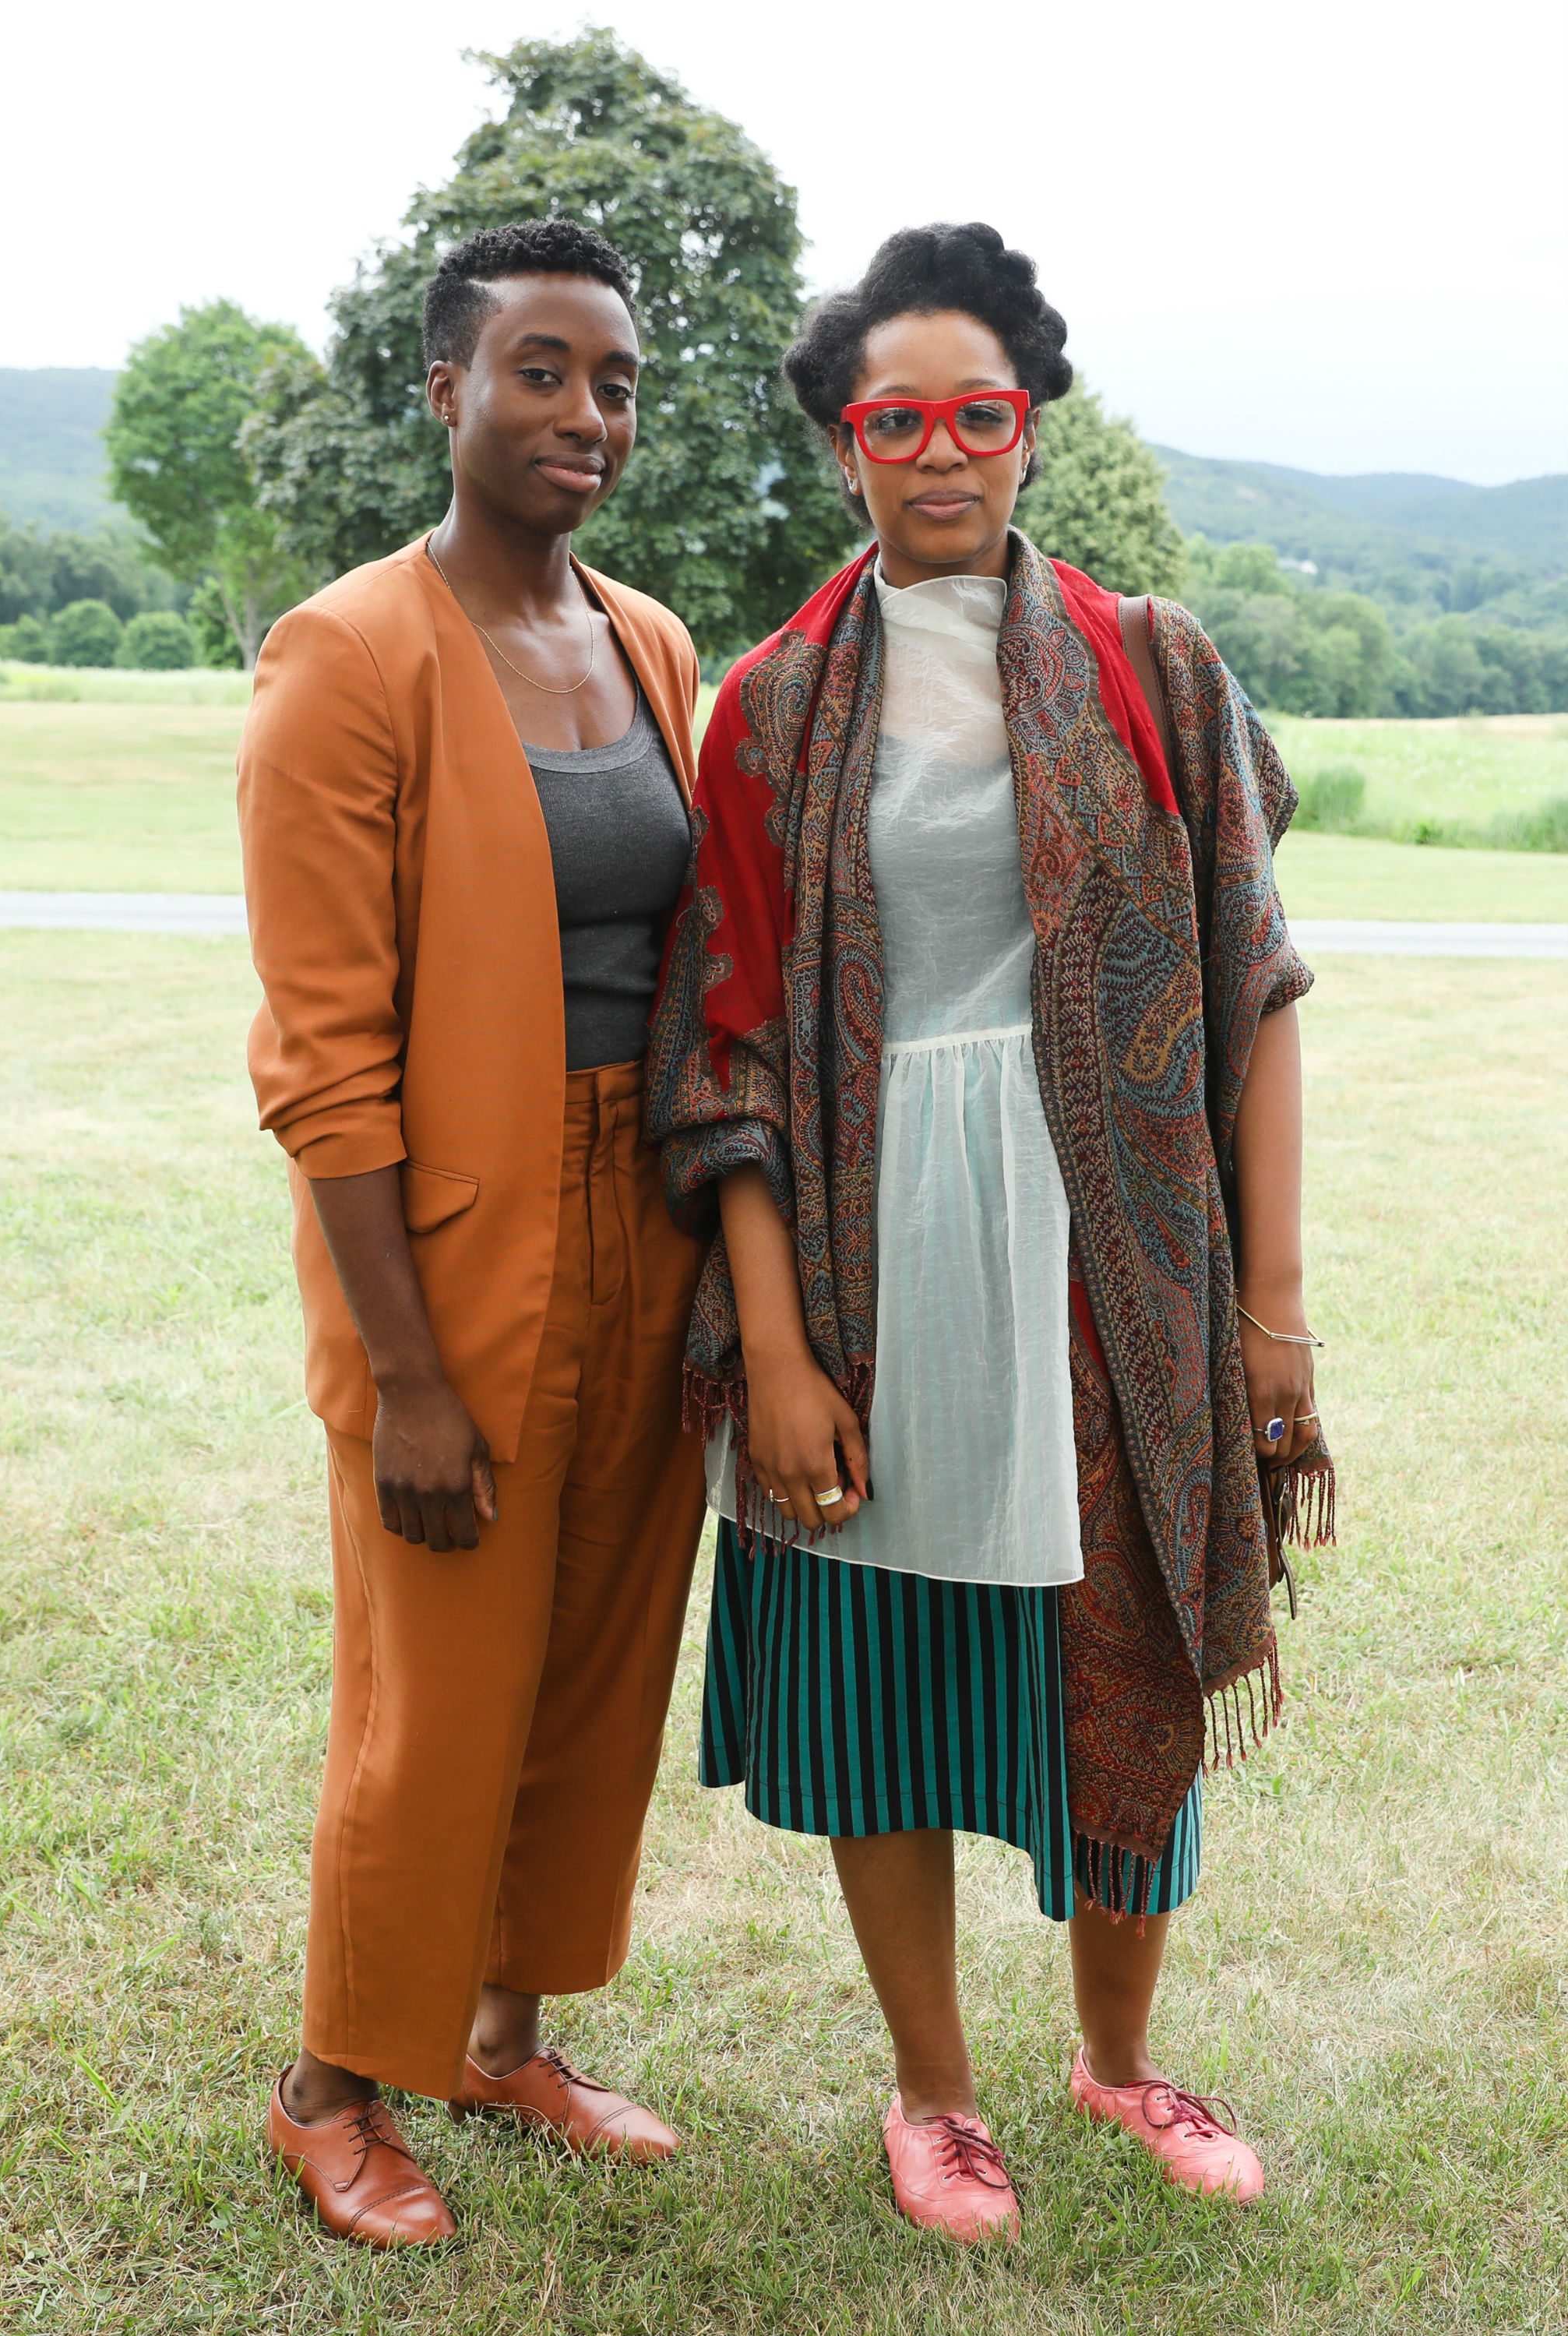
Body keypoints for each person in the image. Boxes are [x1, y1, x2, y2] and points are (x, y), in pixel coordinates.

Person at [647, 221, 1334, 2246]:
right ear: (842, 446)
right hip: (868, 1256)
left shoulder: (1156, 662)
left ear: (1030, 427)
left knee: (1123, 1637)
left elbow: (1256, 987)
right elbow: (728, 1058)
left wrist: (1274, 1315)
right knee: (886, 1674)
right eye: (896, 420)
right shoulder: (775, 706)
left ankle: (1119, 2061)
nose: (938, 450)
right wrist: (777, 1351)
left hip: (1114, 1254)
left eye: (978, 412)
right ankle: (935, 2095)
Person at [239, 219, 707, 2248]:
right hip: (446, 1260)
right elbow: (322, 1063)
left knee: (594, 1664)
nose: (585, 413)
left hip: (646, 1230)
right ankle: (334, 2084)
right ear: (444, 389)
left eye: (614, 382)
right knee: (430, 1696)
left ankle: (508, 2035)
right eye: (540, 371)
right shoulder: (348, 657)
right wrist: (409, 1375)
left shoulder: (651, 644)